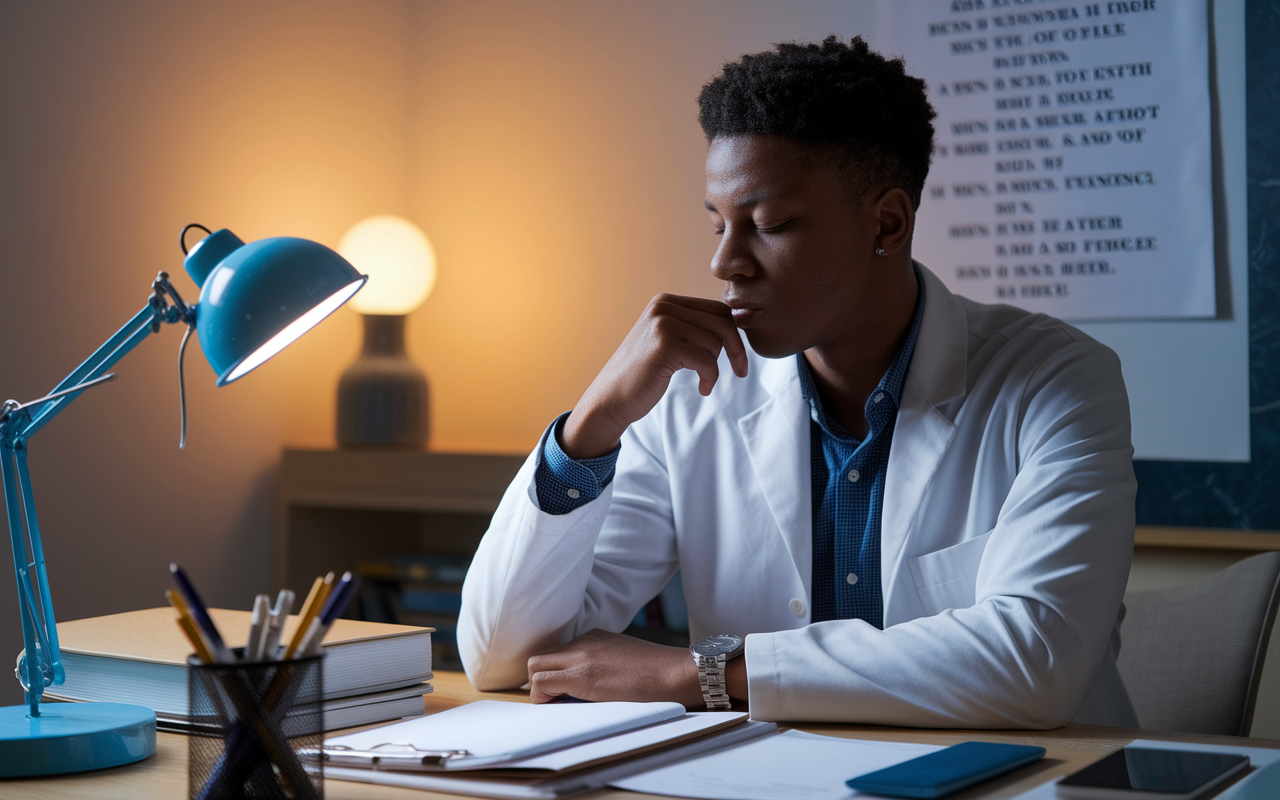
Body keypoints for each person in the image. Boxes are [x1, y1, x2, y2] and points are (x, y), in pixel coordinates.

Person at [458, 35, 1137, 728]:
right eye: (719, 224)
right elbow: (507, 659)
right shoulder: (695, 395)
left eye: (770, 225)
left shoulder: (1058, 379)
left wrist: (702, 673)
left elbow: (1033, 665)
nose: (727, 263)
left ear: (888, 222)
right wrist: (591, 427)